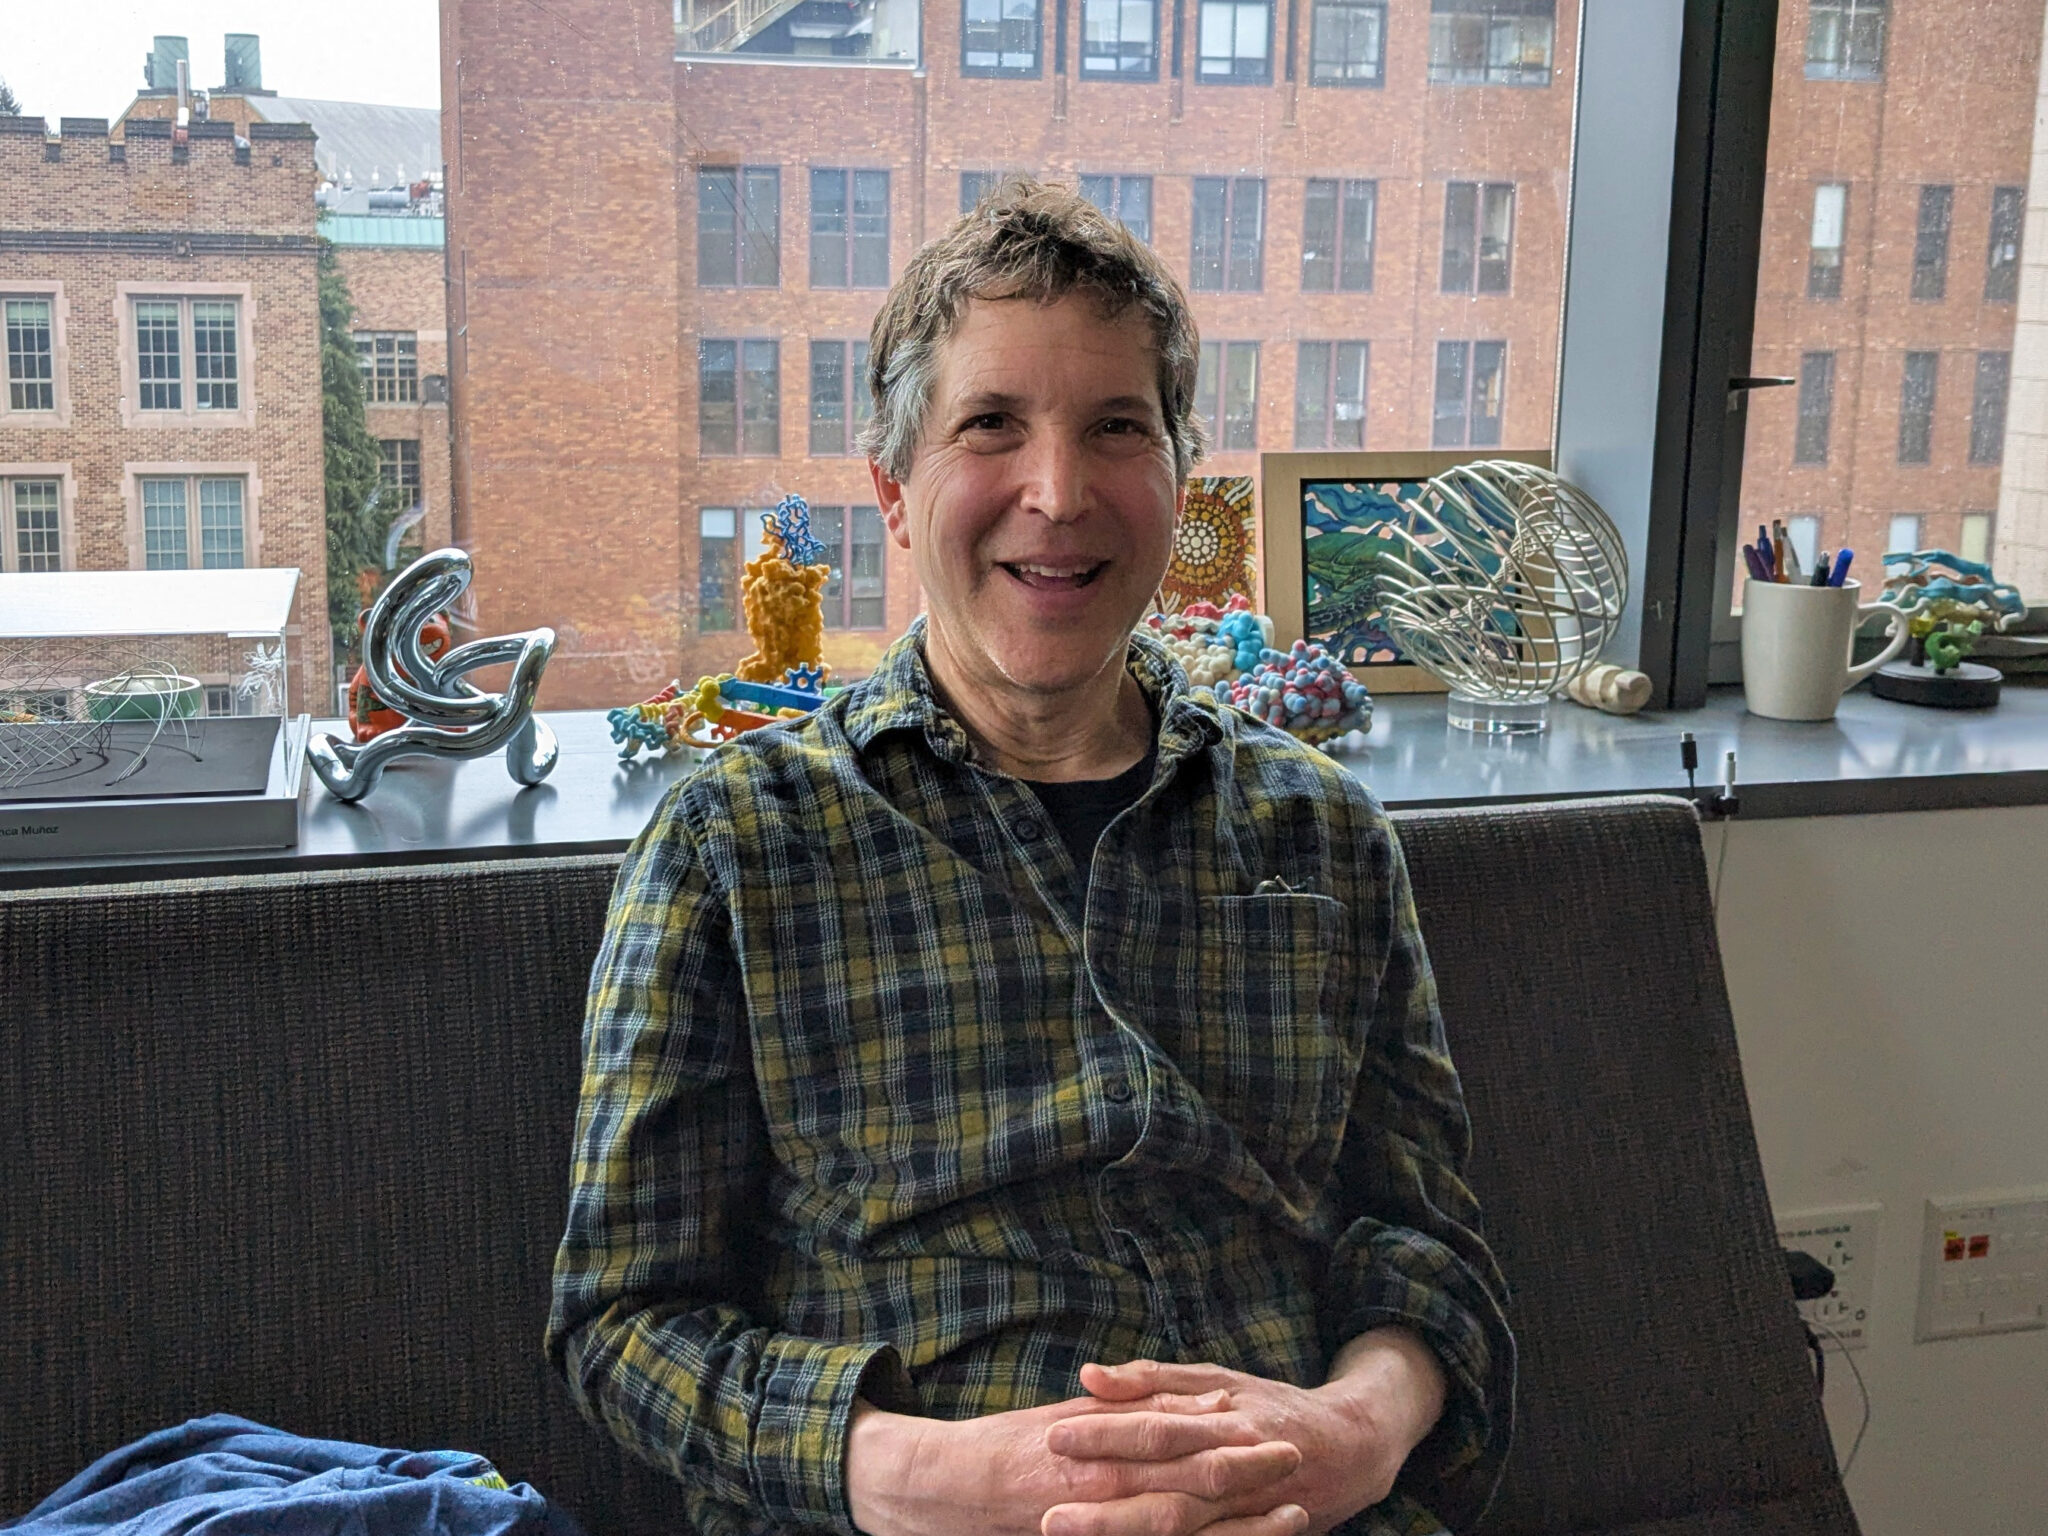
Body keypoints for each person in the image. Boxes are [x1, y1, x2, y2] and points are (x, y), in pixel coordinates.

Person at [546, 177, 1514, 1536]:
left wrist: (1355, 1431)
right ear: (895, 492)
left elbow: (1426, 1247)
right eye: (990, 425)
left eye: (1116, 428)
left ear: (1179, 477)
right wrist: (938, 1478)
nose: (1057, 494)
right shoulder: (736, 845)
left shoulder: (1325, 832)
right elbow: (621, 1321)